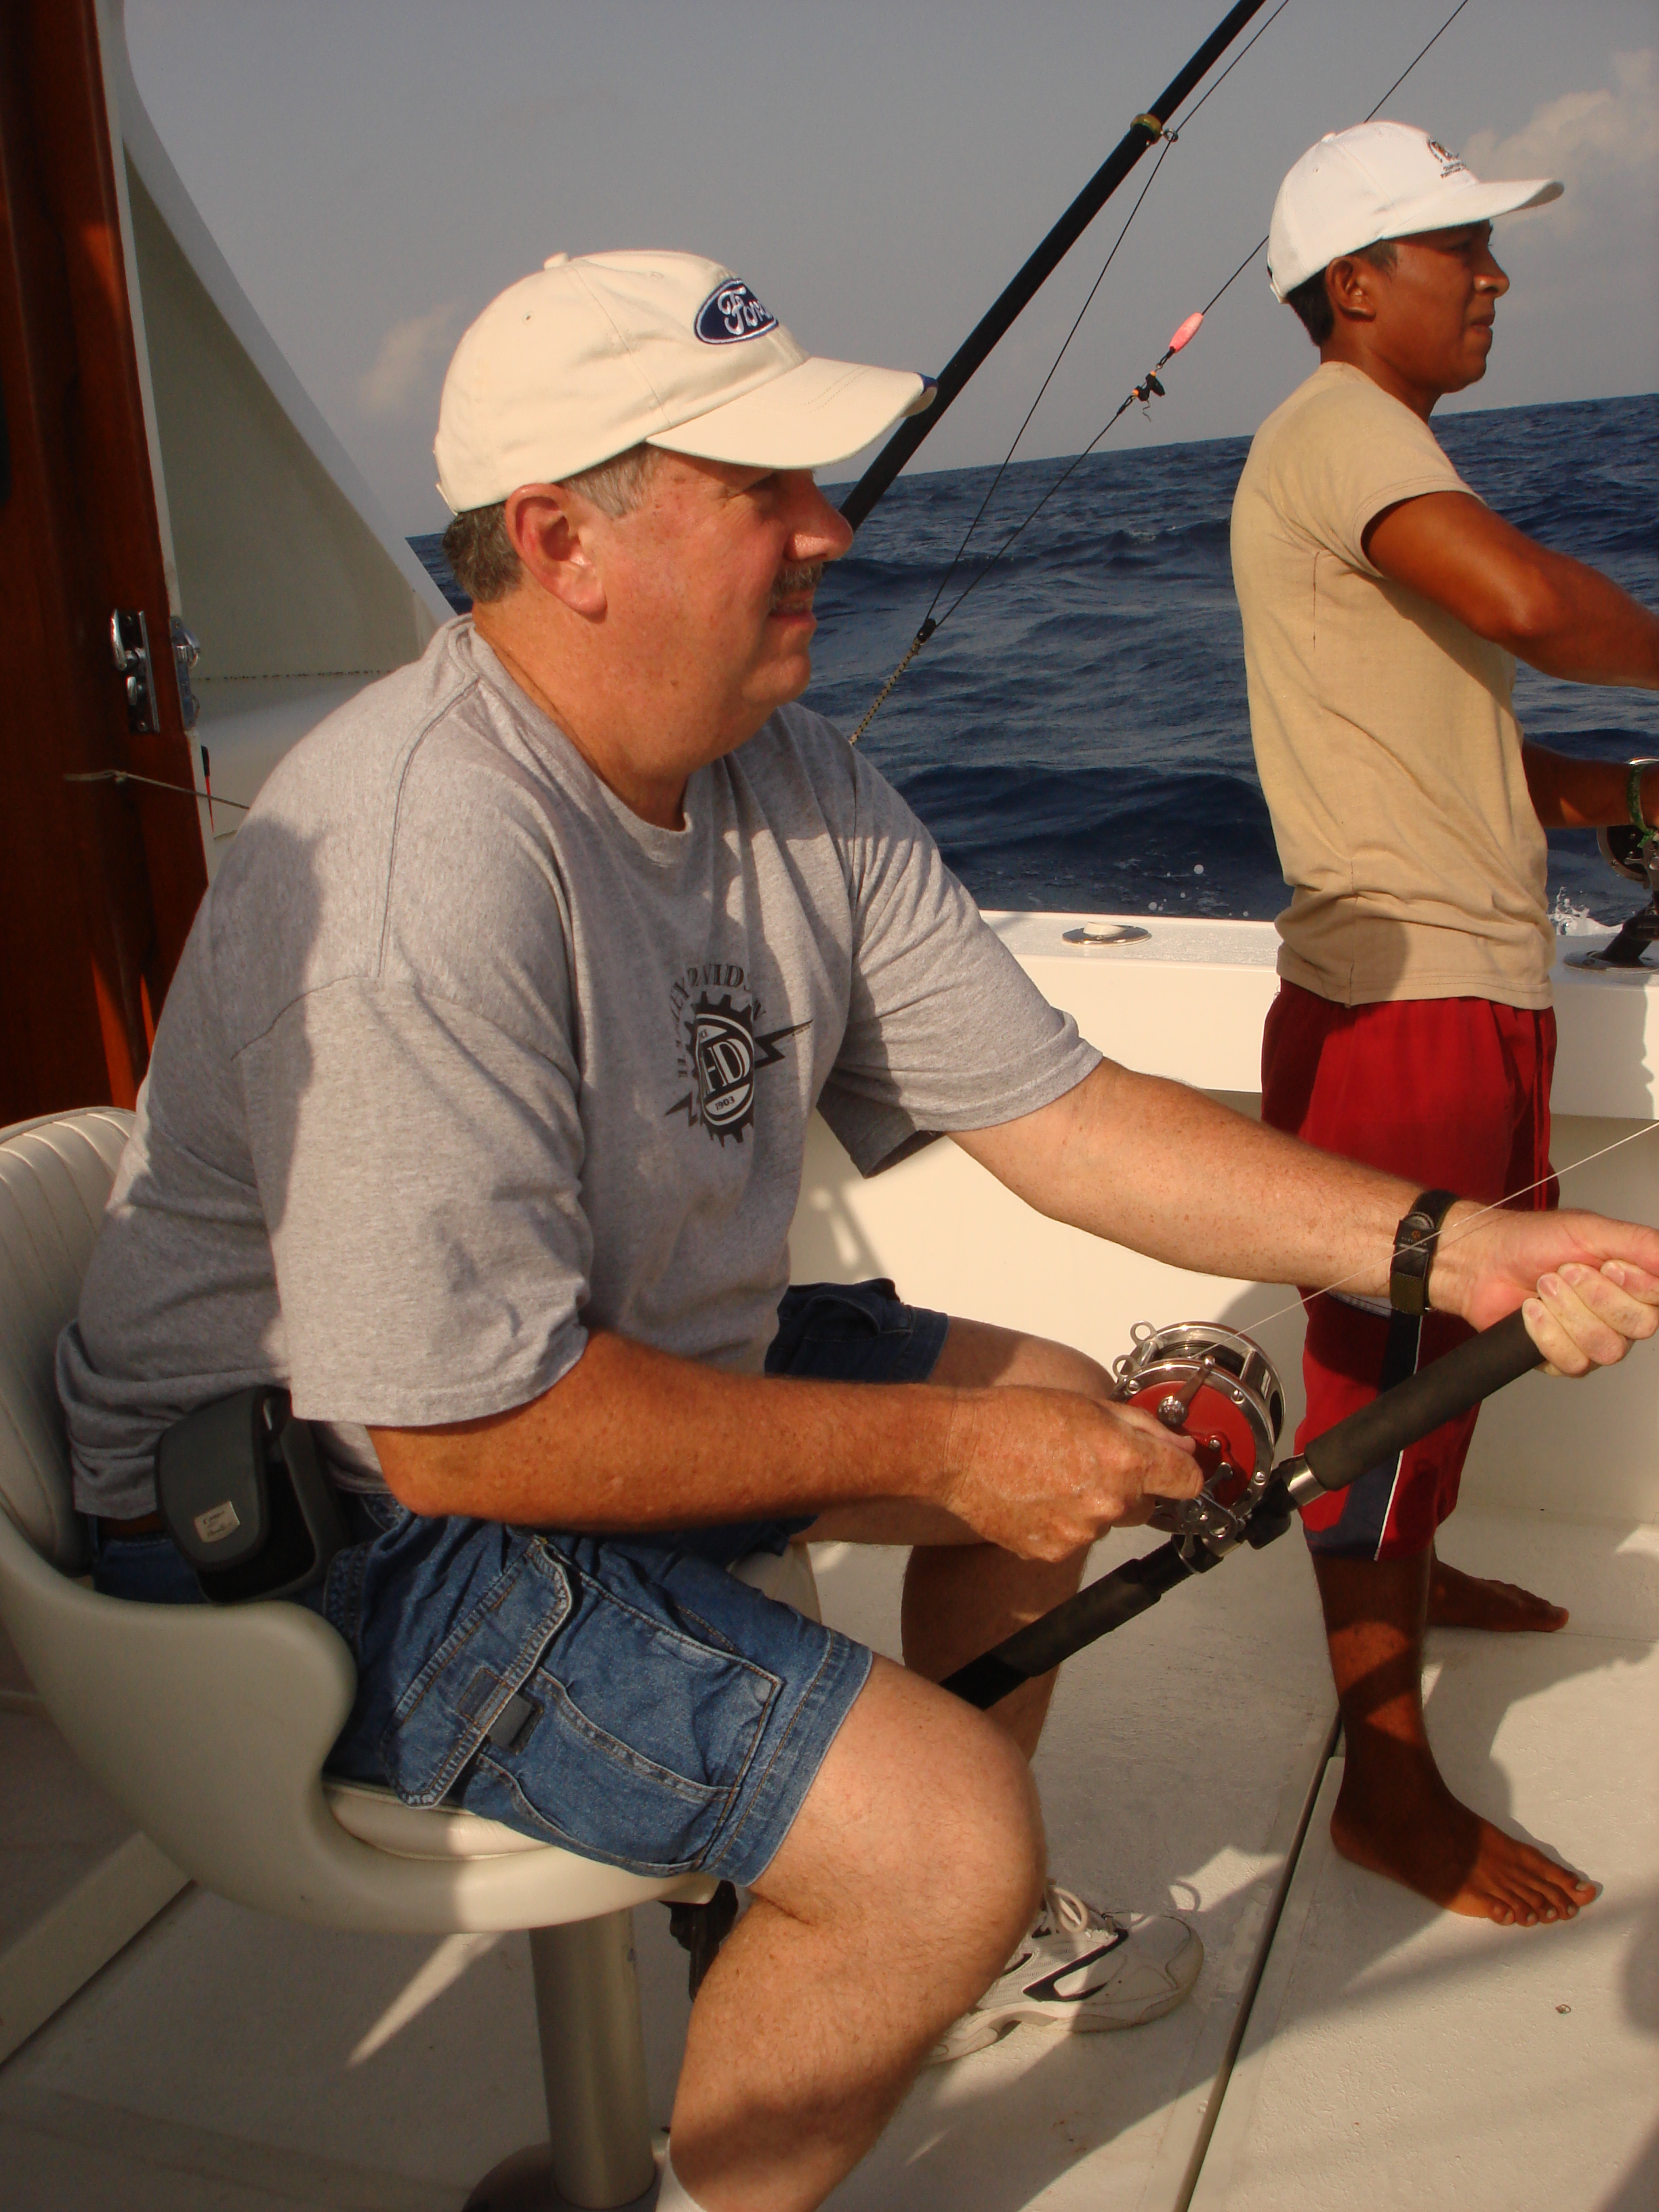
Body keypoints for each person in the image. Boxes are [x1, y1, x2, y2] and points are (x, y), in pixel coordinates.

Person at [61, 249, 1658, 2212]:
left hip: (554, 1373)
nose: (831, 527)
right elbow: (464, 1436)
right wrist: (952, 1450)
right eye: (764, 488)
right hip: (314, 1520)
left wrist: (1461, 1250)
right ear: (563, 543)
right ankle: (870, 1937)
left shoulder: (787, 771)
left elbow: (1063, 1117)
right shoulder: (424, 861)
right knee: (945, 1839)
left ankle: (827, 1922)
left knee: (1053, 1409)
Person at [1232, 123, 1659, 1935]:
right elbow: (1528, 606)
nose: (1493, 277)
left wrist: (1624, 792)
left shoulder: (1365, 450)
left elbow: (1465, 733)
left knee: (1443, 1360)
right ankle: (1385, 1787)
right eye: (1458, 248)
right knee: (1389, 1388)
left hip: (1448, 992)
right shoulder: (1350, 434)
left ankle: (1410, 1571)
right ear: (1356, 284)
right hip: (1407, 1009)